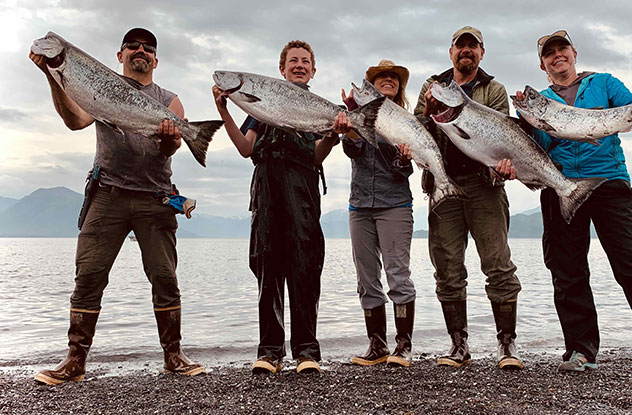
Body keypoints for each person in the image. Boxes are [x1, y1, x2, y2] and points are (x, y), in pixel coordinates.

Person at [511, 29, 632, 384]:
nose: (558, 56)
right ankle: (581, 350)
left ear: (573, 53)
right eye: (550, 53)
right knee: (567, 273)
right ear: (542, 65)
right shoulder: (540, 102)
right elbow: (535, 147)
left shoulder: (604, 83)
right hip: (560, 187)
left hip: (610, 183)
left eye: (562, 49)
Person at [29, 28, 204, 385]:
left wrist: (172, 140)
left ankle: (174, 355)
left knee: (165, 278)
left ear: (156, 60)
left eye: (148, 48)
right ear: (120, 55)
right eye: (133, 46)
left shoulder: (170, 100)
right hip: (106, 195)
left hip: (156, 197)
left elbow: (168, 150)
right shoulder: (98, 87)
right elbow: (75, 121)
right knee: (89, 276)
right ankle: (75, 361)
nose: (141, 50)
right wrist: (53, 75)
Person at [212, 40, 348, 374]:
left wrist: (333, 135)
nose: (299, 65)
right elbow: (245, 148)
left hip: (303, 188)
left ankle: (307, 352)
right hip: (267, 188)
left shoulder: (320, 108)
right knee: (268, 268)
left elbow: (317, 155)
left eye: (305, 61)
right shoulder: (262, 105)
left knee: (305, 269)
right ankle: (269, 351)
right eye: (293, 61)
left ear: (313, 70)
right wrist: (224, 111)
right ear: (281, 68)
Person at [414, 26, 523, 370]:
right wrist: (431, 113)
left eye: (472, 47)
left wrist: (505, 164)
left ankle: (507, 344)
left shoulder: (494, 89)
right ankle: (458, 344)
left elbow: (497, 136)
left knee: (498, 265)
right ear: (451, 52)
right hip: (443, 186)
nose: (466, 51)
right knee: (447, 268)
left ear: (481, 53)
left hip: (485, 188)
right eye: (460, 46)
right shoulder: (431, 86)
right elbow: (417, 134)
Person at [341, 60, 416, 367]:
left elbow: (406, 171)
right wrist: (353, 129)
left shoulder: (408, 121)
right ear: (371, 86)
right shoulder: (356, 116)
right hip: (359, 205)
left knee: (398, 275)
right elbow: (351, 151)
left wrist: (402, 158)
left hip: (395, 204)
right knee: (366, 279)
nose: (387, 80)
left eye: (392, 77)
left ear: (399, 86)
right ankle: (377, 344)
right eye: (381, 77)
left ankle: (404, 345)